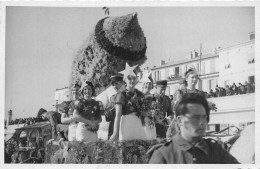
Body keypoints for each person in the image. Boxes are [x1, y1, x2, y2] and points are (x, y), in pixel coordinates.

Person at [149, 93, 239, 164]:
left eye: (204, 117)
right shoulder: (164, 155)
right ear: (180, 121)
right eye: (195, 118)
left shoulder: (215, 150)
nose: (202, 122)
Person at [109, 63, 147, 141]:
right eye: (129, 78)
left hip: (138, 123)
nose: (132, 81)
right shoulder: (121, 95)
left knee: (141, 146)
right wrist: (115, 132)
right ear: (125, 80)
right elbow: (118, 115)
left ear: (137, 79)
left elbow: (144, 111)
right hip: (126, 123)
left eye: (134, 78)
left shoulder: (140, 94)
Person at [104, 74, 126, 139]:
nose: (114, 86)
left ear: (122, 83)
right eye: (113, 84)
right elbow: (107, 116)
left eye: (116, 83)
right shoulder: (112, 97)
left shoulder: (127, 95)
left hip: (124, 123)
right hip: (113, 124)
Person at [141, 73, 157, 140]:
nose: (149, 85)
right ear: (144, 84)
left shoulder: (153, 97)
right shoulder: (139, 96)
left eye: (150, 83)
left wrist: (152, 118)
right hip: (142, 122)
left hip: (151, 122)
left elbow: (154, 110)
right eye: (147, 83)